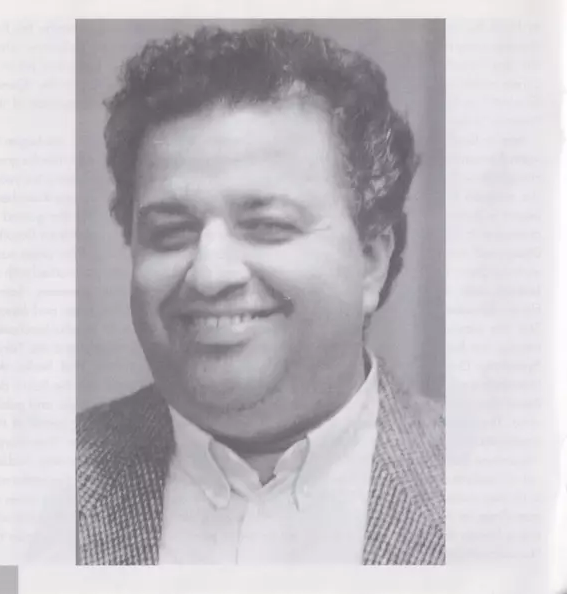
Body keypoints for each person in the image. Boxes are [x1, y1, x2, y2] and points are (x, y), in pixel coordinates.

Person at [77, 25, 445, 565]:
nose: (209, 274)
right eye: (171, 232)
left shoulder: (509, 495)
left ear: (371, 260)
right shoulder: (26, 491)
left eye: (268, 225)